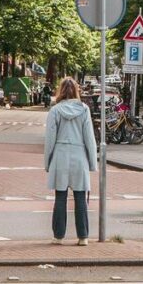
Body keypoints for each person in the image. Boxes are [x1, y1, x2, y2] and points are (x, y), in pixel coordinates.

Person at [42, 75, 97, 243]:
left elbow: (50, 139)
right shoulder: (84, 109)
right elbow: (89, 137)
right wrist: (92, 162)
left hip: (60, 155)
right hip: (79, 155)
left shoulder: (55, 110)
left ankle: (58, 236)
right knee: (80, 196)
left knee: (61, 196)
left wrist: (48, 162)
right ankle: (83, 237)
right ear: (76, 91)